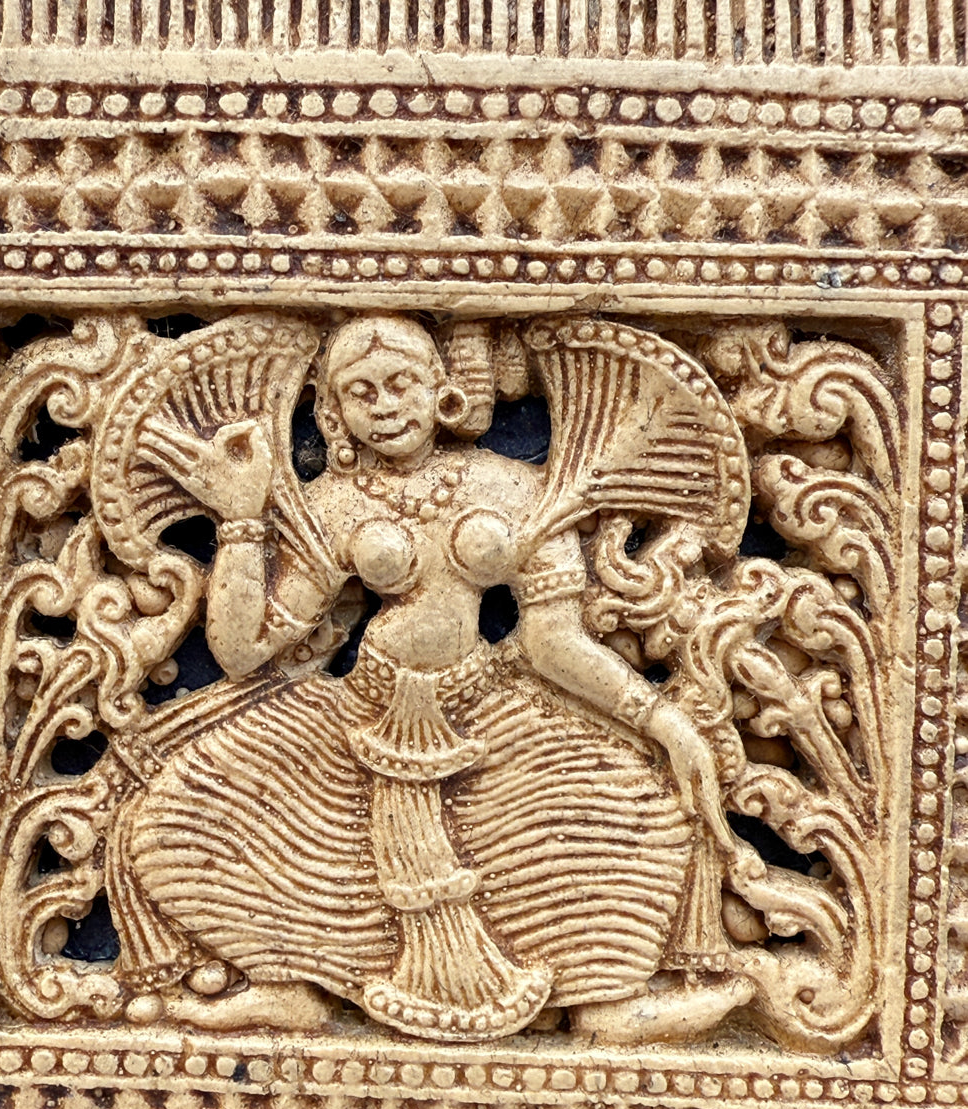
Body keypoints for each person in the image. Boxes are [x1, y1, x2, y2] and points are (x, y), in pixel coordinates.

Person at [119, 314, 754, 1041]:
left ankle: (608, 1001)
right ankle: (289, 985)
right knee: (183, 813)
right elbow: (242, 651)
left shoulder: (515, 486)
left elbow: (552, 642)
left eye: (401, 384)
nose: (385, 407)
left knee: (639, 807)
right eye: (361, 393)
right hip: (363, 711)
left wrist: (658, 717)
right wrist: (239, 519)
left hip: (484, 706)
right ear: (334, 413)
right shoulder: (332, 504)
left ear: (443, 392)